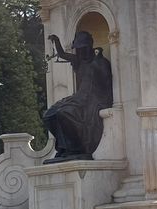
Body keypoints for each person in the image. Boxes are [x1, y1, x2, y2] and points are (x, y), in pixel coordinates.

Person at [43, 32, 113, 161]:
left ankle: (76, 147)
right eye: (78, 49)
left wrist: (101, 101)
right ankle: (65, 147)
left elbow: (107, 86)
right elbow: (63, 55)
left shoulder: (101, 63)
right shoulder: (79, 61)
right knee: (49, 115)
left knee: (64, 113)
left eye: (82, 49)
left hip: (93, 100)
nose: (80, 52)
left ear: (89, 47)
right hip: (78, 98)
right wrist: (57, 41)